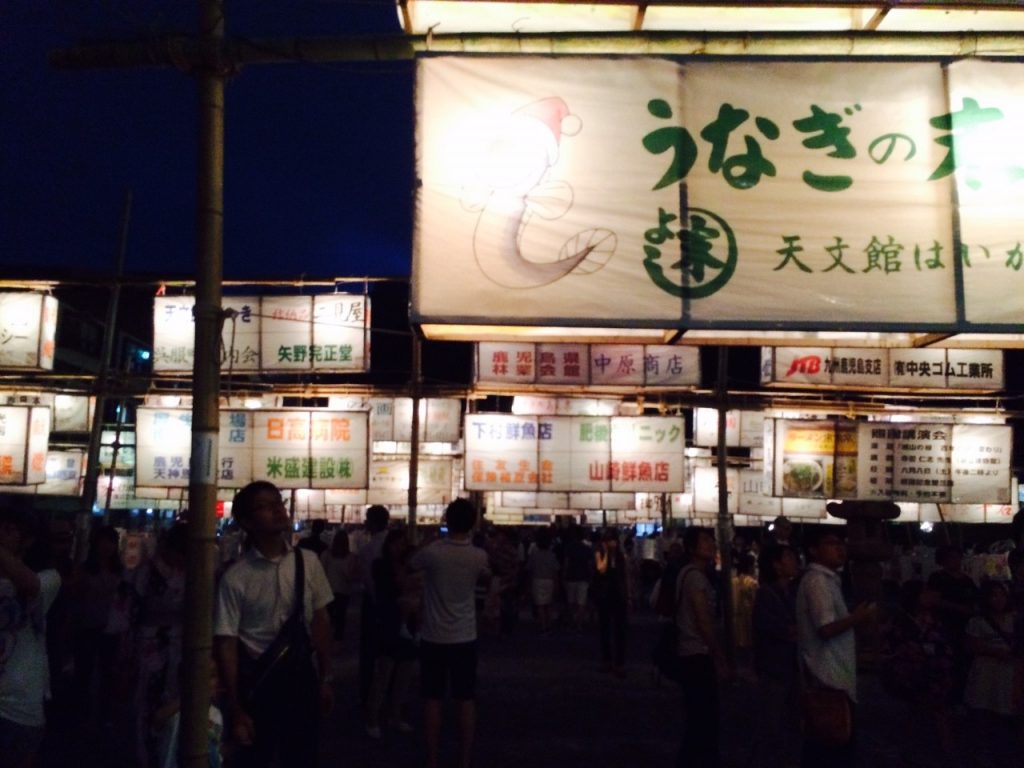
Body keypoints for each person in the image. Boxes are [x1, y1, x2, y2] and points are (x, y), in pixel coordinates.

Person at [213, 481, 334, 768]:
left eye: (278, 502)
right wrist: (236, 705)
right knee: (256, 758)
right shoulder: (236, 577)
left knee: (303, 756)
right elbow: (226, 642)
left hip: (302, 677)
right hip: (258, 682)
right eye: (264, 507)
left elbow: (321, 622)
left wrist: (326, 678)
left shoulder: (308, 562)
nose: (278, 510)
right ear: (246, 521)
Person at [409, 498, 491, 768]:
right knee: (465, 699)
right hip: (465, 635)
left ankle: (432, 759)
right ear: (472, 523)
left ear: (446, 519)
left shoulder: (433, 553)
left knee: (432, 699)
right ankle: (464, 759)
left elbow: (411, 562)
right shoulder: (478, 556)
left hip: (433, 636)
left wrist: (428, 538)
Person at [796, 529, 875, 768]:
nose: (839, 548)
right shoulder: (817, 581)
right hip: (827, 676)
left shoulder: (827, 579)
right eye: (831, 543)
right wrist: (858, 617)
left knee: (829, 744)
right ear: (813, 550)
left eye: (841, 543)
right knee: (832, 745)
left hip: (833, 673)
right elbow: (826, 628)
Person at [0, 507, 61, 768]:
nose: (2, 535)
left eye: (9, 530)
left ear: (29, 539)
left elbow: (29, 585)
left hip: (21, 706)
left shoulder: (49, 578)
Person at [673, 526, 729, 768]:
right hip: (697, 654)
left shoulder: (693, 575)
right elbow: (703, 622)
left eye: (711, 540)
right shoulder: (695, 577)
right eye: (705, 541)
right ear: (691, 548)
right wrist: (719, 657)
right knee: (703, 717)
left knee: (698, 717)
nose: (711, 544)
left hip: (690, 653)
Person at [365, 528, 419, 739]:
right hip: (388, 622)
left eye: (403, 544)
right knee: (384, 673)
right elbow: (392, 587)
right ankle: (373, 717)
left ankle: (394, 715)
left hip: (406, 623)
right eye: (397, 543)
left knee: (403, 675)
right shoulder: (381, 565)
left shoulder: (405, 566)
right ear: (388, 545)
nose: (400, 548)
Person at [751, 544, 801, 768]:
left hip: (787, 667)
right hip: (774, 668)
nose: (795, 561)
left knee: (786, 724)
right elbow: (781, 629)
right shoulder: (767, 594)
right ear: (777, 565)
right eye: (788, 557)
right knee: (773, 726)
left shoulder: (789, 592)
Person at [69, 524, 124, 728]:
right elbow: (75, 598)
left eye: (110, 542)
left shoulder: (120, 570)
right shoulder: (84, 570)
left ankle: (103, 714)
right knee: (84, 671)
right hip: (88, 626)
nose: (107, 546)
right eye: (103, 541)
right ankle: (81, 713)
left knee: (107, 672)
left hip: (110, 628)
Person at [927, 545, 979, 701]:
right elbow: (934, 600)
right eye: (952, 558)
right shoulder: (938, 578)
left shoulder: (967, 580)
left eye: (958, 557)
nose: (956, 561)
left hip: (966, 626)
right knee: (949, 663)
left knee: (964, 661)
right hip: (946, 624)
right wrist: (959, 608)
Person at [358, 505, 390, 706]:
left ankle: (369, 693)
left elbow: (367, 579)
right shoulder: (398, 542)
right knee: (390, 651)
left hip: (373, 602)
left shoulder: (368, 548)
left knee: (370, 651)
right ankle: (389, 695)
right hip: (394, 602)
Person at [592, 528, 629, 677]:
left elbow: (625, 576)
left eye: (612, 540)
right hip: (604, 595)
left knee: (620, 631)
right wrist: (606, 553)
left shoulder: (621, 556)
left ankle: (619, 663)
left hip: (618, 595)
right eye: (608, 541)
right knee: (605, 629)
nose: (611, 543)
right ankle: (607, 660)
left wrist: (629, 596)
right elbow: (601, 569)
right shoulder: (599, 553)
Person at [320, 528, 357, 649]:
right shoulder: (350, 557)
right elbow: (351, 576)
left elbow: (321, 572)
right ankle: (337, 640)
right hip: (343, 590)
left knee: (328, 616)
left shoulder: (327, 554)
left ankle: (327, 638)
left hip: (328, 589)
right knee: (341, 616)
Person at [525, 528, 560, 634]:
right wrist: (557, 583)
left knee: (540, 605)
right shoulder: (552, 555)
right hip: (549, 580)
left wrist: (528, 584)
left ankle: (543, 625)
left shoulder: (534, 555)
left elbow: (529, 569)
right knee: (548, 604)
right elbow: (556, 570)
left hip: (537, 580)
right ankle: (548, 623)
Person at [561, 525, 593, 630]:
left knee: (571, 601)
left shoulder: (569, 548)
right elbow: (589, 564)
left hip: (571, 576)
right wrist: (590, 576)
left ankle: (572, 621)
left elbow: (566, 563)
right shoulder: (587, 549)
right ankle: (579, 623)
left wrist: (564, 575)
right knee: (581, 602)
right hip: (583, 577)